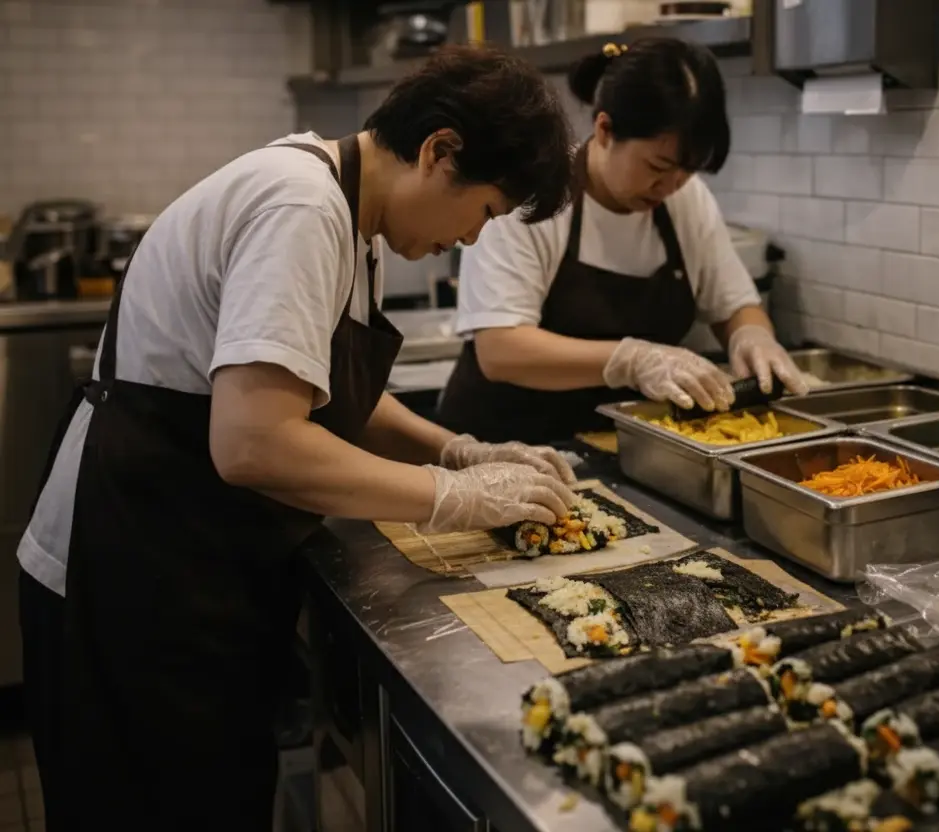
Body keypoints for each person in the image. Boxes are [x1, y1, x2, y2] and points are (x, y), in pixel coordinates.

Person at [18, 45, 576, 830]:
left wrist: (457, 449)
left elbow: (320, 392)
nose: (473, 240)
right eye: (483, 212)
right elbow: (255, 444)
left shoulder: (350, 215)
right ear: (438, 150)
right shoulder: (302, 206)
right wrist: (451, 497)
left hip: (187, 564)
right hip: (129, 574)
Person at [437, 38, 808, 444]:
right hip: (502, 446)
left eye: (686, 172)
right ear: (605, 129)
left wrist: (753, 337)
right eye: (658, 166)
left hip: (619, 448)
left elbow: (735, 304)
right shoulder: (535, 194)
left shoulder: (685, 200)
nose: (670, 186)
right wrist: (631, 360)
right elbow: (501, 349)